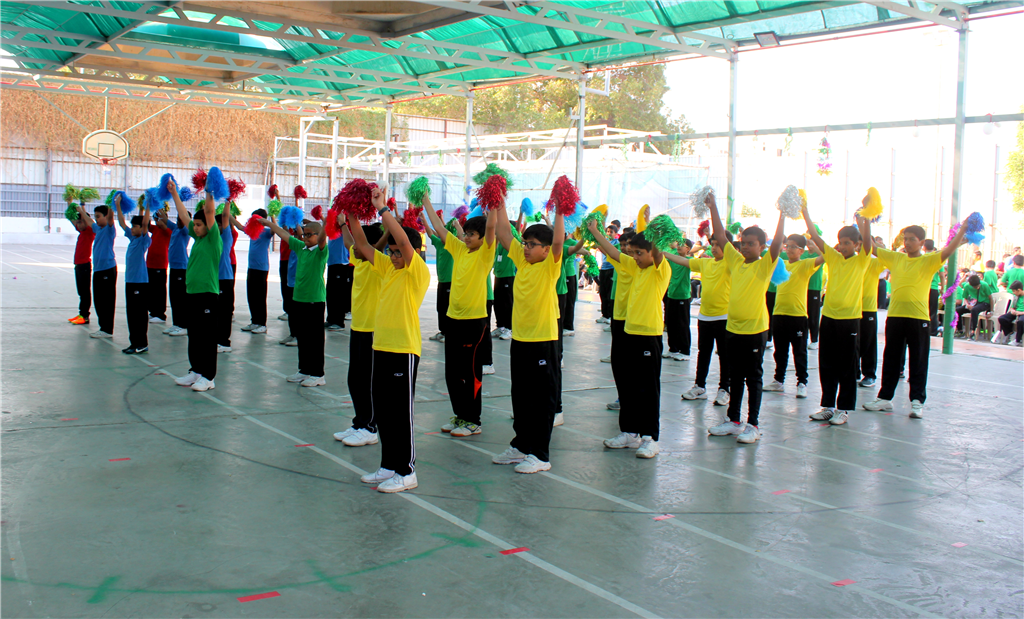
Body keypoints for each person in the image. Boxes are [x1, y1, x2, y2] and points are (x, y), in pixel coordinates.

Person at [354, 187, 430, 494]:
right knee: (384, 410)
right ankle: (388, 465)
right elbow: (362, 244)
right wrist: (351, 213)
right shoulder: (387, 268)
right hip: (381, 347)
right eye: (391, 252)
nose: (394, 255)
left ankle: (406, 470)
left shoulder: (416, 272)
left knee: (400, 414)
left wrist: (382, 209)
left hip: (403, 350)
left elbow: (403, 240)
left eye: (399, 252)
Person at [863, 221, 969, 418]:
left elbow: (948, 250)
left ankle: (917, 401)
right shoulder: (896, 258)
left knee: (918, 360)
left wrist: (962, 230)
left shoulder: (929, 260)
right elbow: (871, 247)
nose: (907, 242)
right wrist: (866, 221)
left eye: (912, 239)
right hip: (895, 316)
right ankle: (885, 398)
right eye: (905, 239)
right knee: (891, 359)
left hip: (918, 318)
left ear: (921, 242)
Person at [489, 198, 565, 473]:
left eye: (532, 245)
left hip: (542, 341)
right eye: (525, 243)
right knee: (520, 395)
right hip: (520, 340)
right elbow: (503, 233)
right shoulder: (522, 262)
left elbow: (559, 241)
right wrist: (499, 202)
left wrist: (560, 210)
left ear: (545, 249)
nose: (526, 248)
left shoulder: (550, 266)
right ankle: (521, 445)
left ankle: (540, 455)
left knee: (542, 398)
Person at [588, 220, 671, 457]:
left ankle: (650, 437)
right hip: (628, 333)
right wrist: (594, 231)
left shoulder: (660, 269)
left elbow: (657, 252)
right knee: (627, 384)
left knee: (648, 388)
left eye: (639, 253)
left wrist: (653, 232)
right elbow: (613, 252)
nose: (634, 257)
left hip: (648, 336)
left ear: (652, 252)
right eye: (633, 252)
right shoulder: (635, 268)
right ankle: (629, 431)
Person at [706, 193, 784, 444]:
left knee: (753, 378)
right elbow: (720, 235)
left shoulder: (764, 265)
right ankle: (734, 420)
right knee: (735, 375)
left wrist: (783, 213)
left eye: (752, 243)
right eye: (744, 243)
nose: (746, 247)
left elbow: (777, 243)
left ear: (761, 247)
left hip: (754, 331)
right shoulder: (736, 261)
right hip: (733, 329)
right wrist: (713, 207)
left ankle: (753, 424)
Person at [425, 196, 497, 437]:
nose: (466, 237)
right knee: (452, 373)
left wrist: (494, 204)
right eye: (465, 233)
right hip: (453, 320)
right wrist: (425, 199)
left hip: (473, 322)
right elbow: (438, 227)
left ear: (482, 238)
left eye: (471, 234)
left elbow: (491, 228)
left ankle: (473, 420)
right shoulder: (459, 250)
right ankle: (460, 415)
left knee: (470, 373)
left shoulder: (485, 254)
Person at [801, 206, 873, 425]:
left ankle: (844, 409)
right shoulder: (833, 257)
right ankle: (828, 406)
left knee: (847, 365)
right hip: (829, 318)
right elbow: (815, 236)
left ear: (857, 245)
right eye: (840, 242)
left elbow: (868, 242)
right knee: (827, 363)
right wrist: (805, 211)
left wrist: (866, 218)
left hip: (849, 320)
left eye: (847, 243)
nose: (842, 246)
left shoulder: (862, 259)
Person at [334, 219, 387, 446]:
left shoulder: (378, 263)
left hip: (373, 331)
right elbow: (348, 242)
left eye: (360, 243)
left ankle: (371, 427)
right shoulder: (358, 260)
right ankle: (360, 422)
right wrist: (343, 224)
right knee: (354, 380)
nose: (353, 247)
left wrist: (387, 229)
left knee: (368, 382)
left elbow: (376, 245)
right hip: (357, 329)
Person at [262, 215, 329, 387]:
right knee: (303, 337)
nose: (305, 237)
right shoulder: (301, 248)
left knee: (315, 339)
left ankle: (318, 374)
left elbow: (322, 238)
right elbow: (284, 235)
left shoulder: (321, 252)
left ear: (318, 235)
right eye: (304, 234)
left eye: (309, 235)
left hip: (314, 301)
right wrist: (269, 223)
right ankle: (304, 370)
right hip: (299, 299)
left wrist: (325, 223)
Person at [170, 179, 221, 392]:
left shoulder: (213, 238)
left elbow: (209, 212)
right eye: (195, 225)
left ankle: (208, 377)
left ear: (208, 226)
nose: (196, 227)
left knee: (207, 337)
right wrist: (174, 193)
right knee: (194, 335)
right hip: (191, 293)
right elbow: (184, 215)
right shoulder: (198, 239)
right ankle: (196, 371)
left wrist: (209, 192)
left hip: (207, 294)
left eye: (199, 225)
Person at [762, 234, 823, 399]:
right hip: (779, 314)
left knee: (799, 351)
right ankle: (778, 380)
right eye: (787, 246)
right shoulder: (781, 264)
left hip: (797, 316)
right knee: (780, 351)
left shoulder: (805, 265)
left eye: (793, 246)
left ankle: (802, 382)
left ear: (801, 250)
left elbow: (825, 257)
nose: (788, 249)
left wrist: (815, 246)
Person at [676, 235, 732, 405]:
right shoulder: (705, 263)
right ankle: (700, 386)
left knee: (725, 354)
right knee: (704, 352)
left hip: (724, 316)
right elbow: (683, 261)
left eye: (718, 245)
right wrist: (663, 252)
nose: (714, 248)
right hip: (705, 316)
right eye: (712, 244)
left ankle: (725, 389)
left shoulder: (731, 264)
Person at [601, 228, 635, 411]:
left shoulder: (637, 264)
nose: (625, 248)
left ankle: (631, 398)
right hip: (619, 316)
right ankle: (623, 397)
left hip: (633, 320)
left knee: (630, 362)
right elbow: (606, 248)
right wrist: (594, 231)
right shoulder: (621, 261)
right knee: (618, 361)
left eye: (628, 244)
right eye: (622, 245)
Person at [116, 196, 152, 354]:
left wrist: (148, 205)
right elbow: (121, 222)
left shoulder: (144, 240)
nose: (132, 228)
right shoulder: (132, 238)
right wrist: (117, 205)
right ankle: (134, 342)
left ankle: (142, 343)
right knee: (131, 313)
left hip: (140, 283)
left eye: (135, 226)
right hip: (130, 281)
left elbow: (145, 223)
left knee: (139, 314)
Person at [425, 214, 459, 342]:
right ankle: (443, 331)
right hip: (441, 282)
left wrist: (455, 225)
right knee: (440, 308)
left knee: (448, 308)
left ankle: (449, 333)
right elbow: (430, 234)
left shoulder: (453, 246)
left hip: (450, 282)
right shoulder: (439, 244)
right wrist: (424, 221)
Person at [88, 203, 118, 339]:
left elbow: (111, 217)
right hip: (98, 270)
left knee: (107, 301)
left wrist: (112, 204)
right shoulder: (98, 229)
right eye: (95, 217)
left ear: (106, 216)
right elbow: (89, 222)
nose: (96, 219)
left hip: (107, 269)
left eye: (98, 216)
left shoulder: (109, 229)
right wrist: (80, 208)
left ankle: (107, 329)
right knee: (98, 300)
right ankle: (103, 327)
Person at [241, 209, 273, 334]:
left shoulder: (266, 232)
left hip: (261, 269)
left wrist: (270, 218)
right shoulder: (252, 231)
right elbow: (240, 227)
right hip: (251, 267)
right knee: (252, 295)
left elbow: (275, 229)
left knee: (260, 297)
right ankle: (254, 321)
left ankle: (262, 324)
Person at [858, 247, 886, 388]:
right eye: (858, 244)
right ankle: (854, 371)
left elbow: (887, 259)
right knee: (853, 342)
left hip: (868, 309)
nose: (860, 247)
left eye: (863, 244)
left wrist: (876, 247)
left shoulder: (875, 262)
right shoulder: (852, 261)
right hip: (851, 309)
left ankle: (869, 374)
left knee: (868, 342)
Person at [664, 239, 694, 361]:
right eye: (678, 244)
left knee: (682, 324)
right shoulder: (672, 258)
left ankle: (685, 351)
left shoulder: (689, 261)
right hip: (671, 294)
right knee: (670, 323)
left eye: (683, 245)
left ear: (688, 249)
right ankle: (673, 349)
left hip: (683, 296)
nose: (679, 246)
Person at [492, 215, 520, 339]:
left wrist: (521, 214)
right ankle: (500, 326)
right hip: (498, 276)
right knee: (497, 303)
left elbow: (517, 230)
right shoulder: (499, 244)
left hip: (508, 276)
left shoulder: (512, 244)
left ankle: (509, 328)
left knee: (507, 303)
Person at [164, 211, 191, 336]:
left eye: (181, 219)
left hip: (181, 268)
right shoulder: (175, 228)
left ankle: (184, 325)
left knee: (181, 298)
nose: (179, 220)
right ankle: (176, 323)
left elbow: (185, 222)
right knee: (174, 297)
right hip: (173, 267)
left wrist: (183, 216)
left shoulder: (186, 231)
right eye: (178, 218)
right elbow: (164, 220)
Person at [69, 201, 95, 325]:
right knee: (81, 291)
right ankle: (81, 313)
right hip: (78, 265)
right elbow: (71, 219)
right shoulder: (82, 232)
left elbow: (89, 221)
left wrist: (82, 210)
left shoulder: (90, 231)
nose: (78, 225)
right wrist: (69, 203)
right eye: (78, 223)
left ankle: (85, 316)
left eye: (80, 222)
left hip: (84, 265)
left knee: (85, 292)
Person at [146, 206, 172, 324]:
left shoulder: (168, 230)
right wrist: (146, 207)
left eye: (159, 219)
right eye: (156, 219)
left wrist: (160, 207)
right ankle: (153, 312)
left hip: (160, 265)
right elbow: (145, 224)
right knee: (151, 289)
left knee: (159, 290)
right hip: (150, 263)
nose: (157, 222)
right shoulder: (155, 229)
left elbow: (163, 224)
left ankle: (160, 314)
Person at [215, 208, 235, 353]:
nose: (217, 227)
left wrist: (228, 201)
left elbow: (226, 215)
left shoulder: (226, 236)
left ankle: (224, 342)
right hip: (214, 279)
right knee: (216, 312)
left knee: (224, 312)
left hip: (225, 279)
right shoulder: (212, 238)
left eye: (219, 225)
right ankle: (217, 339)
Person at [955, 274, 997, 340]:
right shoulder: (967, 286)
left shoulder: (984, 285)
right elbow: (965, 297)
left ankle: (973, 331)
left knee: (974, 310)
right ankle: (960, 330)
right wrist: (967, 305)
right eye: (975, 287)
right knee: (957, 310)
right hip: (973, 303)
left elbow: (991, 298)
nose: (977, 287)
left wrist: (991, 311)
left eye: (978, 286)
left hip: (984, 303)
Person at [325, 233, 350, 331]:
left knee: (338, 294)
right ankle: (331, 319)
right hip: (332, 263)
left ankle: (339, 322)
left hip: (340, 263)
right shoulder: (332, 229)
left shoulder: (343, 229)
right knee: (331, 294)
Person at [596, 223, 619, 323]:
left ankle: (609, 315)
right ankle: (604, 315)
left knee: (609, 292)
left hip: (611, 268)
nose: (609, 233)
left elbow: (611, 254)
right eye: (608, 231)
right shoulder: (605, 242)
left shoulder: (617, 243)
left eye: (611, 232)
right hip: (603, 268)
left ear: (616, 233)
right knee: (603, 292)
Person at [993, 280, 1024, 345]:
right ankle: (1010, 333)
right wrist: (1012, 310)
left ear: (1019, 290)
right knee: (1002, 318)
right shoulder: (1016, 297)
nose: (1013, 293)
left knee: (1021, 321)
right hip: (1016, 312)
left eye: (1014, 291)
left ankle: (1018, 340)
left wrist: (1020, 313)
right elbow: (1012, 307)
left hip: (1022, 313)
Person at [923, 239, 943, 336]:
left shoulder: (922, 258)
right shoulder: (937, 259)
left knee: (923, 309)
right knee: (933, 310)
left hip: (923, 288)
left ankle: (923, 328)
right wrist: (943, 287)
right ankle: (933, 330)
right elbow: (942, 275)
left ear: (924, 247)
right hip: (934, 288)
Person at [806, 243, 824, 350]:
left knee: (813, 315)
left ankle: (814, 340)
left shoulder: (819, 255)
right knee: (803, 315)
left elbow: (825, 256)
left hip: (814, 288)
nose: (810, 244)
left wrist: (816, 247)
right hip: (802, 287)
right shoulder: (803, 254)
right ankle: (803, 337)